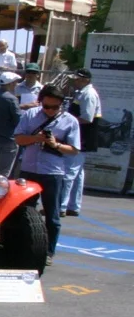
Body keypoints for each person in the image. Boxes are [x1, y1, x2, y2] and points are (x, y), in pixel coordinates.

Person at [14, 83, 80, 265]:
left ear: (61, 104)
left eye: (55, 107)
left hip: (52, 172)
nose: (50, 111)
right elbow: (18, 138)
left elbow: (74, 149)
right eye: (46, 106)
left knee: (52, 214)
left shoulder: (70, 121)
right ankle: (20, 247)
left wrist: (55, 144)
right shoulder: (30, 115)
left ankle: (48, 252)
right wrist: (36, 138)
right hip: (29, 169)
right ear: (41, 102)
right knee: (23, 212)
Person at [62, 68, 101, 216]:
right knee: (77, 175)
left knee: (69, 173)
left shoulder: (88, 94)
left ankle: (61, 206)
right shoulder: (83, 93)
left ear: (85, 80)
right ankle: (73, 206)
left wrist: (67, 122)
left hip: (81, 138)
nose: (75, 81)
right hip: (81, 137)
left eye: (77, 79)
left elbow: (87, 118)